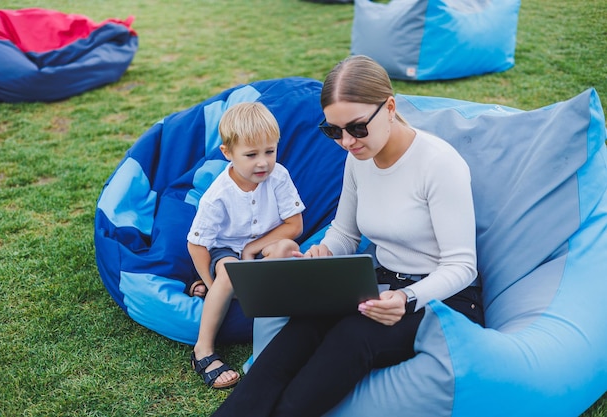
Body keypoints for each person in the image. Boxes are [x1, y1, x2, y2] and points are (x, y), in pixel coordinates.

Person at [211, 55, 484, 416]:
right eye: (333, 131)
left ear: (389, 108)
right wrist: (320, 253)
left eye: (356, 128)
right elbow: (344, 232)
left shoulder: (439, 164)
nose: (346, 142)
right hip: (382, 286)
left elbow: (462, 265)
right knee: (303, 328)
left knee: (351, 338)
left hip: (443, 298)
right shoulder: (358, 158)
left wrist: (406, 298)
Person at [187, 102, 305, 390]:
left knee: (287, 247)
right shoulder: (218, 194)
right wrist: (212, 281)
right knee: (229, 272)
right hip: (225, 251)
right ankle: (202, 350)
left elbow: (295, 225)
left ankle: (233, 292)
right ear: (228, 153)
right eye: (251, 155)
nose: (263, 162)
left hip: (265, 244)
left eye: (270, 151)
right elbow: (196, 244)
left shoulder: (278, 176)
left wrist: (254, 248)